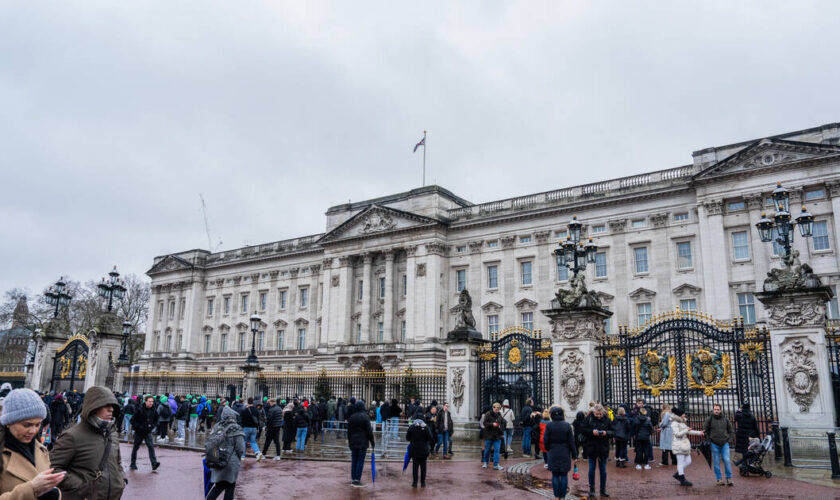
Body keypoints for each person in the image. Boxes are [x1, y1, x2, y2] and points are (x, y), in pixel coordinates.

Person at [50, 386, 126, 499]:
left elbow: (117, 462)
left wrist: (121, 480)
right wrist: (81, 486)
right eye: (107, 405)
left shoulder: (112, 433)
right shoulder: (72, 436)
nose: (111, 409)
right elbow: (53, 468)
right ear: (94, 407)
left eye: (113, 406)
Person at [0, 388, 66, 499]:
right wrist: (31, 489)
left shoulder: (41, 449)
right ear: (8, 422)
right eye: (27, 425)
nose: (33, 431)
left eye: (38, 424)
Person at [205, 406, 246, 500]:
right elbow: (240, 448)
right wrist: (240, 457)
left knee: (220, 485)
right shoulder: (236, 428)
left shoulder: (217, 426)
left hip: (217, 458)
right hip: (231, 462)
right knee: (229, 486)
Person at [543, 406, 577, 500]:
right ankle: (562, 496)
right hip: (565, 452)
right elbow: (571, 442)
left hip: (553, 451)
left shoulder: (549, 425)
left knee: (555, 475)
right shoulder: (567, 425)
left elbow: (545, 440)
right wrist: (574, 455)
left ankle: (556, 496)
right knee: (563, 475)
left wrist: (548, 448)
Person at [581, 404, 614, 498]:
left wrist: (606, 433)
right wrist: (592, 432)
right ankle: (592, 489)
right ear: (593, 412)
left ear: (602, 412)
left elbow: (613, 431)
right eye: (596, 414)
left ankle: (603, 489)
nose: (598, 416)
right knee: (591, 469)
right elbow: (582, 429)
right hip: (591, 447)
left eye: (600, 414)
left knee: (603, 470)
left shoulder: (607, 419)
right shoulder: (589, 418)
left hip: (603, 447)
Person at [670, 407, 703, 486]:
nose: (685, 415)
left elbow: (689, 431)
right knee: (680, 462)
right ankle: (682, 479)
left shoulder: (682, 422)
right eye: (683, 414)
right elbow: (677, 434)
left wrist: (699, 433)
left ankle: (678, 474)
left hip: (684, 444)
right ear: (680, 415)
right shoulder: (674, 423)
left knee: (689, 461)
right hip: (678, 444)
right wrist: (686, 430)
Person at [704, 403, 734, 486]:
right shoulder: (709, 419)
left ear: (720, 410)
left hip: (724, 443)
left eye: (718, 409)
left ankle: (729, 478)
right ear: (713, 410)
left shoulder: (725, 419)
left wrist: (729, 439)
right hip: (714, 444)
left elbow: (731, 431)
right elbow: (705, 431)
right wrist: (709, 440)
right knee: (716, 462)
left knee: (727, 460)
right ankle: (719, 479)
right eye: (715, 409)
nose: (716, 411)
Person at [346, 401, 374, 487]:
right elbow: (369, 431)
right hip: (362, 442)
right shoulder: (365, 417)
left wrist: (349, 441)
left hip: (353, 441)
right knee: (360, 461)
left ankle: (353, 478)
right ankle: (357, 480)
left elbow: (349, 432)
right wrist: (372, 442)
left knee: (354, 460)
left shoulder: (352, 417)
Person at [130, 395, 160, 471]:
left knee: (151, 446)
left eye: (152, 401)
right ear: (145, 401)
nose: (151, 403)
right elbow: (132, 420)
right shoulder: (140, 409)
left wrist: (152, 426)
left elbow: (156, 420)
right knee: (135, 448)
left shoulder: (154, 410)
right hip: (139, 432)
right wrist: (139, 427)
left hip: (148, 432)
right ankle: (133, 463)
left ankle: (154, 463)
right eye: (149, 401)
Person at [406, 410, 435, 488]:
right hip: (423, 449)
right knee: (423, 467)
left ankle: (415, 482)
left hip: (414, 449)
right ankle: (423, 482)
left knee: (415, 466)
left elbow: (407, 438)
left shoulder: (412, 426)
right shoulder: (425, 427)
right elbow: (431, 437)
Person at [481, 403, 504, 471]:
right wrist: (492, 424)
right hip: (489, 435)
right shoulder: (488, 414)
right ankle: (485, 462)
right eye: (495, 408)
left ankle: (496, 464)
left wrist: (500, 428)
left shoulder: (499, 415)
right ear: (493, 408)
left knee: (497, 450)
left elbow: (502, 423)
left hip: (497, 435)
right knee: (487, 450)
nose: (496, 410)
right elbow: (485, 423)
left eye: (498, 409)